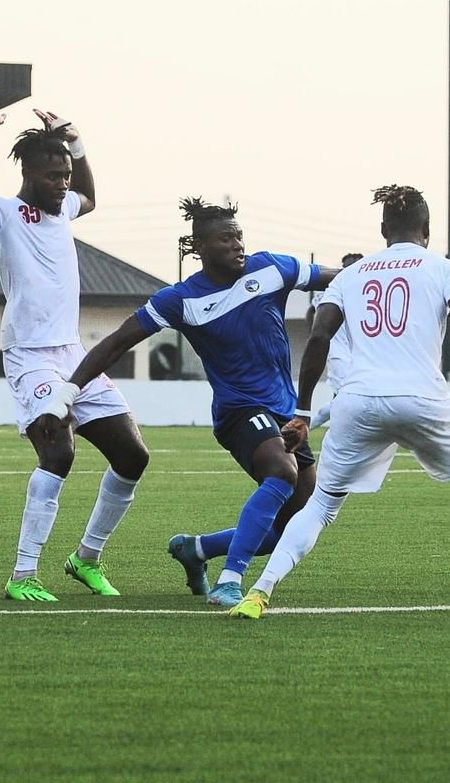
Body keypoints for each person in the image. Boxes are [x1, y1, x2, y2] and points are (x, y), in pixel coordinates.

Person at [228, 184, 450, 620]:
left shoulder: (352, 275)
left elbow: (318, 337)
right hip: (421, 396)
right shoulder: (446, 268)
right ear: (427, 230)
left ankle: (259, 592)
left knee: (320, 505)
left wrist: (300, 412)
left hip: (358, 402)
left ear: (382, 229)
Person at [36, 196, 338, 607]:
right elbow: (116, 343)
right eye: (227, 238)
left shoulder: (271, 268)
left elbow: (336, 277)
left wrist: (381, 269)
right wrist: (68, 391)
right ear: (200, 246)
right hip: (239, 411)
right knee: (280, 472)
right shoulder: (180, 299)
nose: (237, 245)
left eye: (239, 236)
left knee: (290, 525)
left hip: (286, 415)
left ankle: (195, 549)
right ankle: (231, 581)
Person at [0, 91, 149, 602]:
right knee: (58, 451)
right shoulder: (2, 213)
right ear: (29, 176)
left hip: (75, 357)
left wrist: (75, 140)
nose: (63, 184)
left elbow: (91, 195)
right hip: (30, 356)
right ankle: (23, 574)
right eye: (53, 176)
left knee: (133, 456)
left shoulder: (65, 211)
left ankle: (86, 557)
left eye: (65, 175)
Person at [305, 252, 364, 429]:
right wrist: (313, 333)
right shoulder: (332, 291)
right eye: (349, 266)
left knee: (341, 400)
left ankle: (303, 427)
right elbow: (311, 310)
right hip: (337, 352)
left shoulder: (367, 292)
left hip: (358, 352)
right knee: (348, 396)